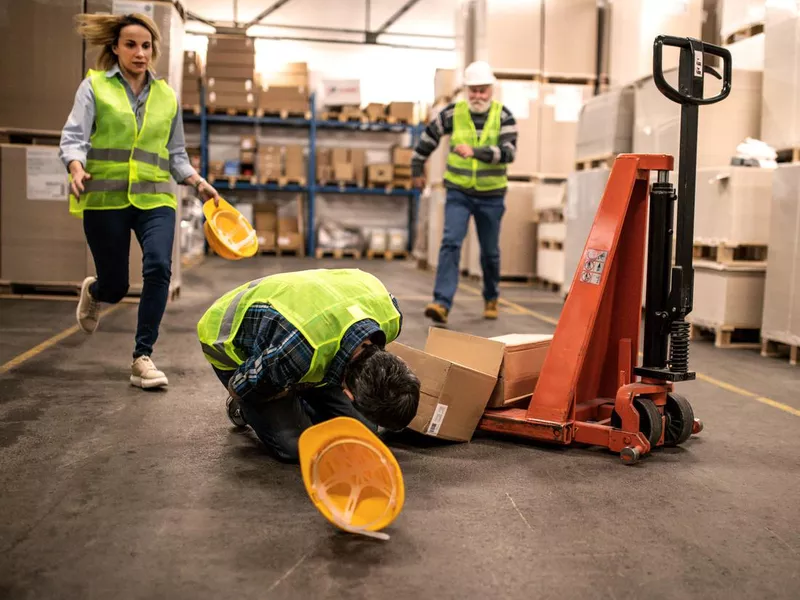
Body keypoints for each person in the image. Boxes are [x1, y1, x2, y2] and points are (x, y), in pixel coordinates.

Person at [59, 12, 220, 389]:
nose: (140, 53)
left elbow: (176, 153)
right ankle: (97, 291)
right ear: (114, 48)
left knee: (159, 267)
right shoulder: (95, 86)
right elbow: (74, 136)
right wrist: (76, 167)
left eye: (146, 46)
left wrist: (197, 182)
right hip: (106, 201)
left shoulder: (167, 97)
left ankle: (142, 356)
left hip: (155, 199)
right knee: (116, 285)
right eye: (131, 44)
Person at [196, 268, 421, 463]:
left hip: (308, 344)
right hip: (230, 343)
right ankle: (257, 409)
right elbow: (241, 385)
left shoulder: (391, 317)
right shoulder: (298, 351)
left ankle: (296, 396)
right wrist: (285, 388)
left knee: (363, 431)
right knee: (295, 446)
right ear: (349, 394)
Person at [412, 60, 518, 325]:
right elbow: (428, 137)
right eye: (473, 90)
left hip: (491, 196)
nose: (478, 96)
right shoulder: (453, 113)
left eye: (483, 90)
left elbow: (508, 153)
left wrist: (476, 152)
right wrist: (416, 167)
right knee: (451, 242)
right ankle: (441, 303)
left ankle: (491, 297)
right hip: (459, 192)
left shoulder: (504, 117)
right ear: (466, 91)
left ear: (491, 90)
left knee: (490, 252)